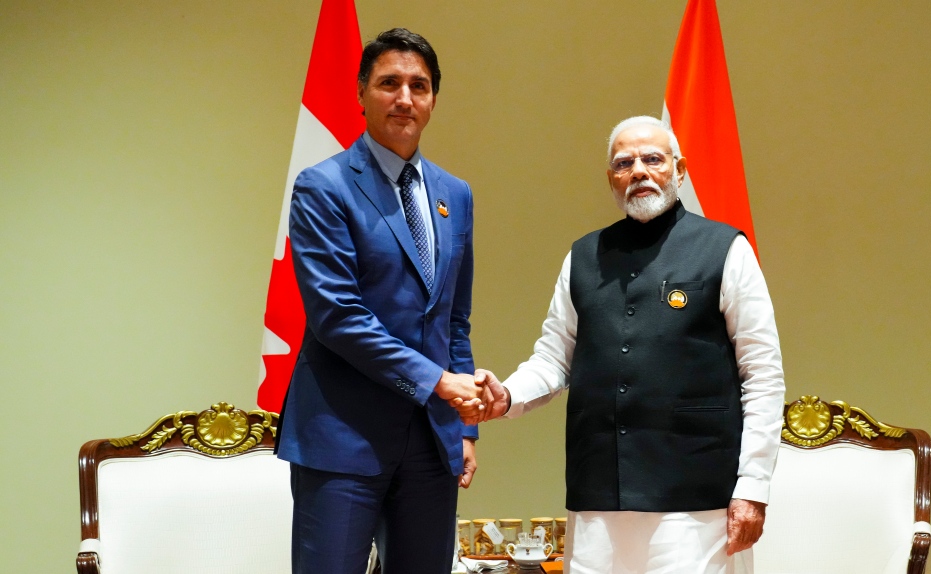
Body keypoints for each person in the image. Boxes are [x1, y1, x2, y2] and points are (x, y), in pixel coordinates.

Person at [460, 116, 785, 574]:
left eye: (653, 159)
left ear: (680, 169)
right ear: (610, 178)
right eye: (624, 162)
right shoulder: (583, 256)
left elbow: (763, 374)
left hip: (695, 503)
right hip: (598, 500)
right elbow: (554, 358)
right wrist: (509, 396)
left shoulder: (725, 249)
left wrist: (752, 486)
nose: (639, 170)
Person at [276, 28, 487, 574]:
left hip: (431, 442)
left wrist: (463, 425)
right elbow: (337, 317)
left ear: (434, 99)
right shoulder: (323, 187)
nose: (404, 98)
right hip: (342, 439)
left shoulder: (455, 194)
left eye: (419, 85)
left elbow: (453, 321)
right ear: (361, 92)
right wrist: (439, 382)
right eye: (389, 83)